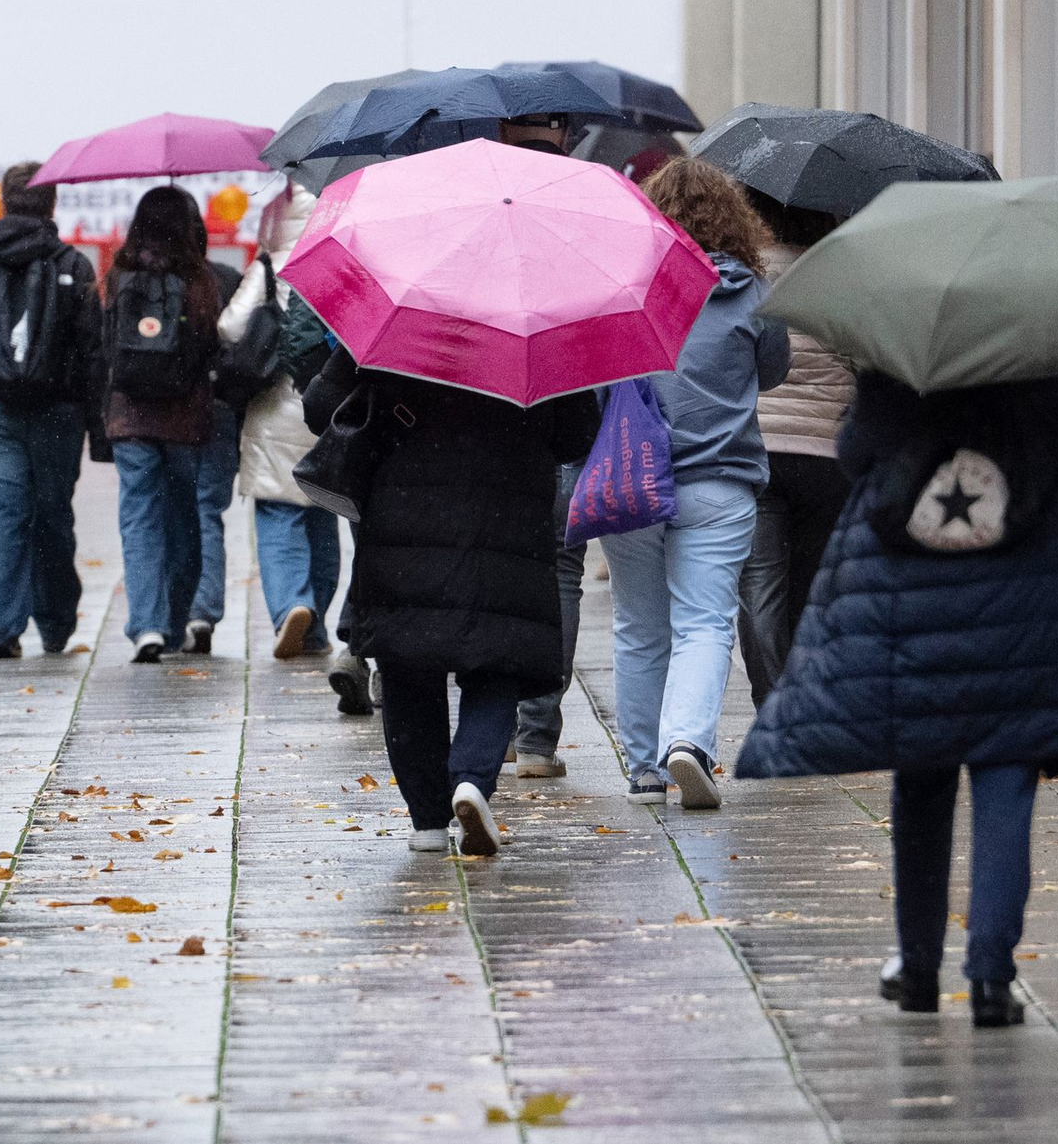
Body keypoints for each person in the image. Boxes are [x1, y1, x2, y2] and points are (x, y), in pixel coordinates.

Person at [736, 372, 1058, 1028]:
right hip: (1023, 602)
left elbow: (854, 451)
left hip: (912, 596)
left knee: (921, 784)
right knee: (1007, 784)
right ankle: (991, 978)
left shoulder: (901, 366)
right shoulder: (1034, 363)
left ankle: (920, 966)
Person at [303, 346, 599, 856]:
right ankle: (472, 780)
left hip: (403, 508)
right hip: (508, 513)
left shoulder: (398, 314)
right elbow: (575, 434)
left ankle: (427, 821)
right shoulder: (534, 325)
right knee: (500, 655)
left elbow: (318, 406)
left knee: (406, 660)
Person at [602, 156, 789, 810]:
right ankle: (688, 743)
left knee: (639, 625)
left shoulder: (627, 285)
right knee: (705, 623)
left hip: (630, 480)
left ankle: (645, 768)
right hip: (719, 480)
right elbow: (774, 373)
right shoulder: (755, 294)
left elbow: (599, 379)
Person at [0, 162, 99, 659]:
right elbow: (92, 350)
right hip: (56, 410)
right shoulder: (74, 265)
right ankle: (55, 623)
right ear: (52, 204)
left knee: (2, 514)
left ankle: (1, 626)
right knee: (51, 513)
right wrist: (97, 424)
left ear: (3, 202)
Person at [736, 194, 854, 706]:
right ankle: (807, 698)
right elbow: (865, 356)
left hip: (757, 450)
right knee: (811, 583)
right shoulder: (842, 273)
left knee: (760, 587)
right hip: (824, 454)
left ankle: (771, 699)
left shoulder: (745, 276)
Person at [497, 111, 588, 778]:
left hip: (498, 425)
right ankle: (536, 740)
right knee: (561, 570)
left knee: (493, 571)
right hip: (567, 417)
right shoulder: (585, 218)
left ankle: (490, 726)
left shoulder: (483, 218)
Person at [218, 181, 341, 659]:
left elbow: (230, 326)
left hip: (275, 407)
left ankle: (292, 604)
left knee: (279, 512)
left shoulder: (271, 266)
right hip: (327, 409)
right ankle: (317, 625)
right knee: (323, 515)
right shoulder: (337, 264)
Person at [100, 186, 220, 663]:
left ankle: (146, 625)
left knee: (139, 520)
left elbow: (103, 345)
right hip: (183, 418)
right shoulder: (200, 280)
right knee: (183, 519)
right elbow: (211, 345)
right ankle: (172, 622)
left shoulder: (117, 275)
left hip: (130, 416)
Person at [180, 190, 242, 655]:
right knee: (207, 510)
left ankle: (172, 610)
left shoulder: (158, 282)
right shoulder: (227, 279)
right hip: (219, 407)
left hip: (169, 410)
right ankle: (202, 612)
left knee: (167, 514)